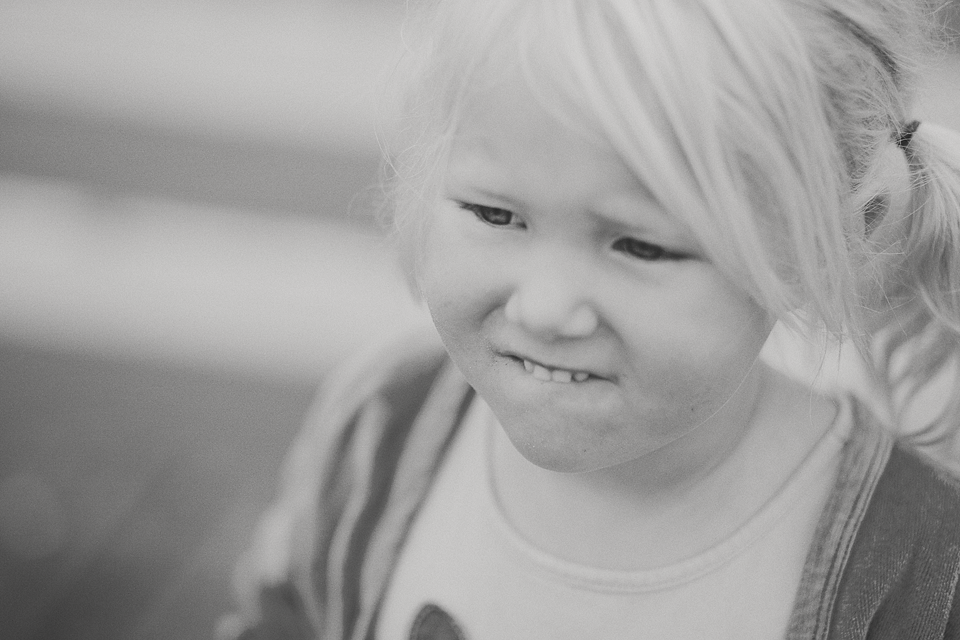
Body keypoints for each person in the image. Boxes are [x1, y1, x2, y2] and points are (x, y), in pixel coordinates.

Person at [218, 0, 960, 637]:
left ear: (845, 236)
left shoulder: (920, 569)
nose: (543, 308)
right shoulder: (382, 427)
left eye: (640, 245)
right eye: (494, 213)